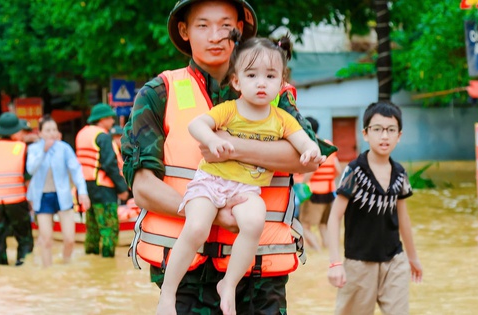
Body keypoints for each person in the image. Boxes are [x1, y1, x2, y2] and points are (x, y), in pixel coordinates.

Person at [121, 0, 335, 313]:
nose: (215, 36)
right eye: (202, 25)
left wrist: (232, 146)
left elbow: (305, 154)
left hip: (261, 276)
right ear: (184, 31)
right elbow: (142, 188)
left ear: (240, 31)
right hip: (186, 277)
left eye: (225, 26)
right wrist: (215, 217)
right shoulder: (158, 93)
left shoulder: (273, 91)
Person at [157, 32, 323, 315]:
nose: (261, 83)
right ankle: (168, 294)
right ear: (236, 81)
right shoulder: (229, 110)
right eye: (252, 75)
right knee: (196, 227)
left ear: (281, 83)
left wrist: (311, 151)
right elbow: (197, 125)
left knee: (254, 221)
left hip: (246, 189)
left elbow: (306, 145)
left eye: (270, 76)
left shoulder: (282, 119)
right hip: (210, 182)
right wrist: (211, 141)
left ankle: (229, 284)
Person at [326, 101, 423, 315]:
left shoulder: (400, 174)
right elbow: (334, 218)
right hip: (359, 264)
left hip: (394, 262)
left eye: (391, 130)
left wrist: (413, 258)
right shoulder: (354, 171)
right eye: (377, 129)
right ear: (366, 134)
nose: (384, 136)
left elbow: (403, 218)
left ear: (399, 135)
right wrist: (334, 263)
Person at [26, 115, 90, 267]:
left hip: (63, 197)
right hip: (42, 198)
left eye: (54, 129)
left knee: (69, 239)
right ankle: (47, 271)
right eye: (47, 130)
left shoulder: (65, 148)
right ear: (40, 133)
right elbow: (31, 169)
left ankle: (65, 266)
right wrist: (43, 151)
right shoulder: (34, 149)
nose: (52, 133)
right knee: (46, 240)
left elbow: (76, 170)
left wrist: (82, 192)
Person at [0, 112, 34, 266]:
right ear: (14, 131)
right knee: (24, 239)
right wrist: (30, 201)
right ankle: (22, 268)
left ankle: (1, 271)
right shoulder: (21, 148)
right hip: (17, 201)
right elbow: (26, 178)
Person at [76, 105, 129, 257]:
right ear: (101, 119)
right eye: (110, 118)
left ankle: (91, 259)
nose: (112, 121)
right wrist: (122, 189)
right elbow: (109, 164)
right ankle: (107, 262)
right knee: (109, 229)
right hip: (104, 188)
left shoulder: (82, 133)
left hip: (87, 187)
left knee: (92, 228)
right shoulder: (103, 136)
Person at [300, 116, 342, 250]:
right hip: (329, 191)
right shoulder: (327, 144)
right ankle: (327, 250)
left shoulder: (311, 146)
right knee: (323, 225)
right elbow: (338, 169)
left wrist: (300, 185)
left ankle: (317, 250)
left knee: (304, 225)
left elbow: (311, 172)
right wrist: (328, 178)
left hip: (314, 192)